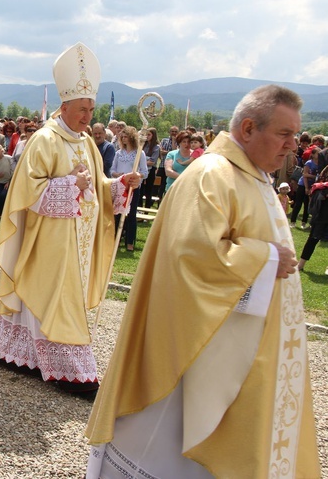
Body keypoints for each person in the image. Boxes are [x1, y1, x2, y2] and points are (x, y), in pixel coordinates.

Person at [85, 85, 320, 479]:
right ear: (247, 128)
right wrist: (262, 259)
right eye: (284, 134)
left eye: (295, 134)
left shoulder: (254, 176)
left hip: (243, 347)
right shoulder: (213, 175)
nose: (293, 146)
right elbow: (191, 256)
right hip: (195, 353)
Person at [0, 42, 141, 395]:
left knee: (53, 296)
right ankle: (70, 369)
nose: (87, 117)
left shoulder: (85, 143)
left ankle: (14, 351)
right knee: (53, 295)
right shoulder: (44, 140)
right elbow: (27, 191)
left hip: (78, 239)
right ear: (64, 106)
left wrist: (118, 186)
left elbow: (96, 185)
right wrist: (70, 185)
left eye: (91, 110)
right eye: (82, 110)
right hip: (50, 238)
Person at [110, 126, 148, 251]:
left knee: (131, 214)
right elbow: (112, 170)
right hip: (120, 186)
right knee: (116, 213)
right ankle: (114, 239)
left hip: (133, 187)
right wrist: (118, 175)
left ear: (131, 137)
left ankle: (130, 241)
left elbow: (144, 172)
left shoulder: (139, 153)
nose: (124, 139)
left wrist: (136, 175)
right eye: (122, 137)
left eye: (126, 136)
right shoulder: (118, 153)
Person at [290, 148, 318, 229]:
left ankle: (304, 222)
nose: (319, 155)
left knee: (307, 205)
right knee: (298, 203)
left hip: (312, 186)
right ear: (312, 154)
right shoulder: (309, 163)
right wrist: (306, 187)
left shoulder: (320, 164)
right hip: (302, 185)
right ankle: (293, 221)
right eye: (317, 153)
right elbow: (305, 175)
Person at [140, 127, 160, 208]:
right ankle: (139, 207)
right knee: (140, 190)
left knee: (149, 190)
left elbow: (152, 161)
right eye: (146, 134)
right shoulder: (143, 145)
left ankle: (146, 209)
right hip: (142, 169)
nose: (147, 136)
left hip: (151, 170)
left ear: (153, 135)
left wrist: (142, 161)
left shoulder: (156, 147)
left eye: (149, 135)